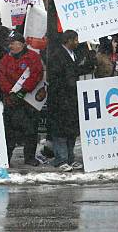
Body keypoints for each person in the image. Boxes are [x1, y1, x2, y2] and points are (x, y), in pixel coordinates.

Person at [0, 32, 44, 166]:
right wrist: (10, 92)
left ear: (22, 44)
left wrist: (23, 90)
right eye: (9, 43)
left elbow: (36, 75)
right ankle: (6, 158)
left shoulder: (33, 57)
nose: (10, 45)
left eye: (13, 43)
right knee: (9, 131)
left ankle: (29, 157)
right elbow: (1, 77)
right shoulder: (6, 59)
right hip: (11, 100)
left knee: (30, 131)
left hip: (28, 101)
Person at [46, 30, 85, 171]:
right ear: (68, 40)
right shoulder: (57, 56)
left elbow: (75, 71)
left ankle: (70, 158)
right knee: (60, 131)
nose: (77, 42)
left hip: (71, 98)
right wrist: (69, 83)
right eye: (75, 40)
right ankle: (61, 159)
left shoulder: (72, 55)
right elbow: (58, 77)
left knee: (71, 130)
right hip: (60, 99)